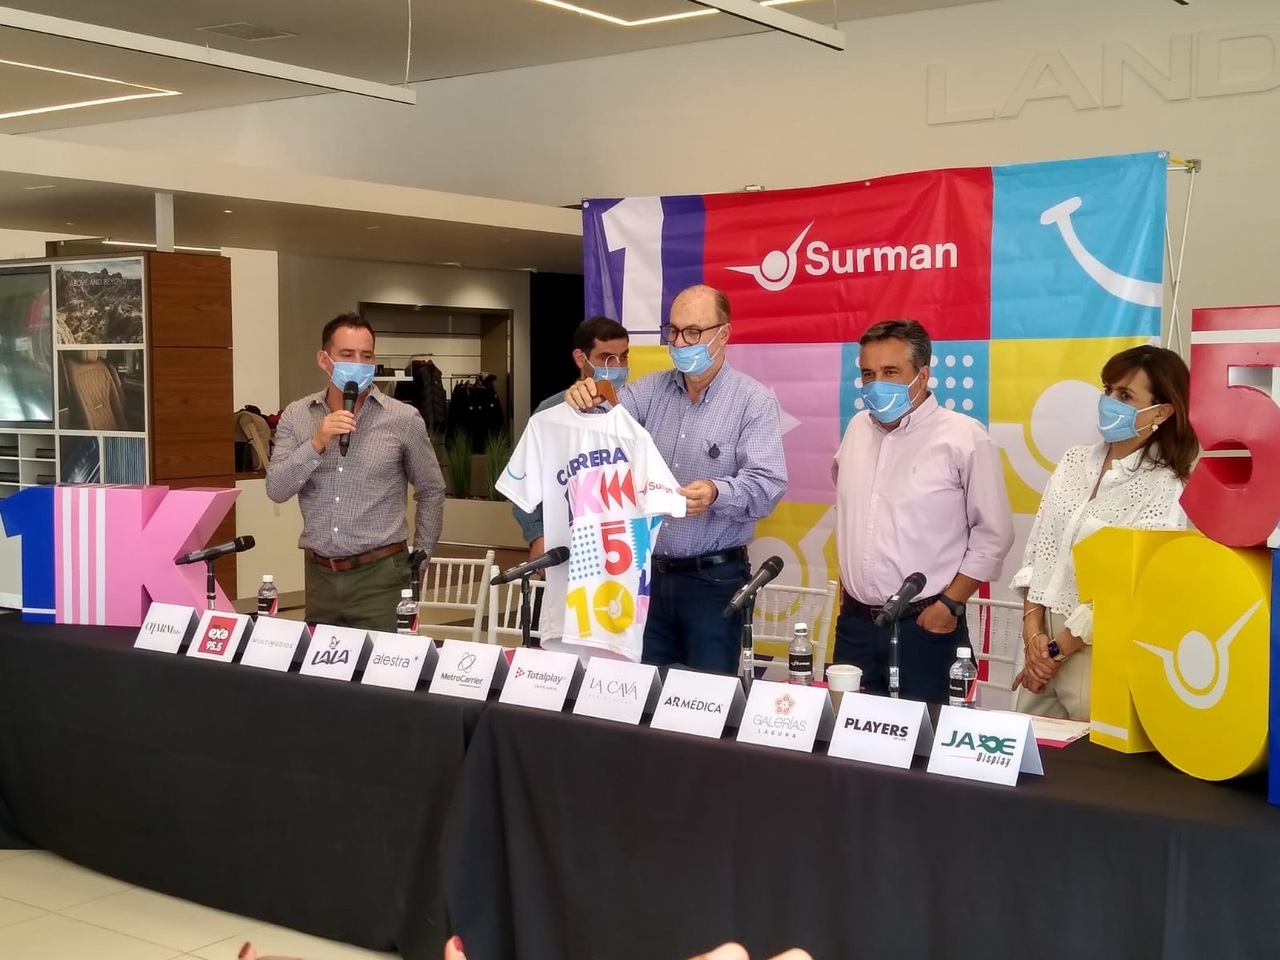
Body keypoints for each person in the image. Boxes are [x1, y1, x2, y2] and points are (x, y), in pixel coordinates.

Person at [568, 285, 787, 674]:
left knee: (706, 698)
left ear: (724, 333)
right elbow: (602, 430)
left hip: (713, 581)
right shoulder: (650, 390)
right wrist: (584, 399)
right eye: (673, 330)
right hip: (645, 575)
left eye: (693, 332)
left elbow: (767, 486)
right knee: (639, 690)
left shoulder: (752, 401)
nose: (680, 342)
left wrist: (718, 492)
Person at [832, 319, 1014, 704]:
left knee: (928, 736)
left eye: (890, 372)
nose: (876, 384)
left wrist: (949, 605)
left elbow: (994, 535)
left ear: (923, 374)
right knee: (847, 734)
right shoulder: (857, 429)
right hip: (856, 626)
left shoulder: (963, 437)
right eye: (868, 374)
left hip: (926, 623)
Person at [1012, 345, 1198, 720]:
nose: (1110, 402)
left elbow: (1130, 586)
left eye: (1125, 396)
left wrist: (1056, 652)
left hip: (1094, 648)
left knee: (1086, 755)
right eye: (1108, 390)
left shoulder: (1165, 486)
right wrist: (1034, 636)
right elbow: (1038, 554)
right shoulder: (1073, 461)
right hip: (1039, 639)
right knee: (1027, 749)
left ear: (1162, 412)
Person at [266, 313, 446, 632]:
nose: (359, 364)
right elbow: (276, 489)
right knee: (320, 661)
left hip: (381, 574)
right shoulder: (297, 415)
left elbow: (431, 490)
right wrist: (316, 442)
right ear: (324, 360)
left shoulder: (403, 419)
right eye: (347, 355)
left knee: (384, 661)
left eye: (367, 356)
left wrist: (421, 556)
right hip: (320, 576)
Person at [514, 315, 629, 564]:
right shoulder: (550, 413)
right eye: (606, 358)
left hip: (623, 546)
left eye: (623, 357)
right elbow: (523, 480)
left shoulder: (634, 411)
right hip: (565, 545)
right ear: (580, 358)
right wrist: (537, 535)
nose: (618, 366)